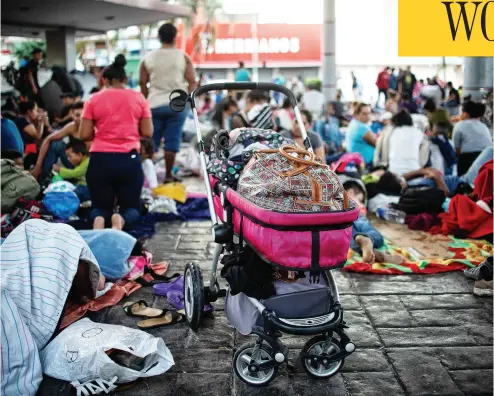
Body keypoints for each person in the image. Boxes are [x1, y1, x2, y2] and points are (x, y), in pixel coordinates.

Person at [80, 54, 153, 230]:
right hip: (128, 160)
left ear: (104, 79)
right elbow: (148, 131)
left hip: (100, 160)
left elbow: (84, 134)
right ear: (125, 79)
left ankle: (98, 219)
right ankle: (121, 220)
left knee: (99, 207)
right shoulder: (139, 98)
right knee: (132, 208)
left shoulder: (93, 99)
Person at [140, 23, 197, 183]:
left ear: (159, 37)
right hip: (176, 105)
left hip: (154, 105)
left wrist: (147, 100)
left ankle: (147, 177)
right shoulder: (183, 57)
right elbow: (192, 81)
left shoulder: (148, 58)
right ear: (174, 37)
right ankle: (168, 175)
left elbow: (142, 83)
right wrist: (187, 99)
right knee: (172, 142)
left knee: (152, 143)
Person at [31, 102, 85, 180]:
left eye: (83, 115)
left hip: (87, 165)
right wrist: (38, 167)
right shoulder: (71, 126)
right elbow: (48, 139)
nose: (80, 118)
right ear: (73, 116)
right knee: (56, 145)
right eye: (77, 115)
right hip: (74, 162)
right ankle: (43, 178)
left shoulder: (93, 128)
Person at [453, 100, 492, 176]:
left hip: (468, 160)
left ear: (466, 114)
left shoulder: (459, 125)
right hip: (487, 159)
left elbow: (457, 150)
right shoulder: (483, 126)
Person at [387, 109, 428, 176]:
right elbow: (424, 157)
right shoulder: (419, 133)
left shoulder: (392, 132)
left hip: (393, 171)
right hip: (414, 172)